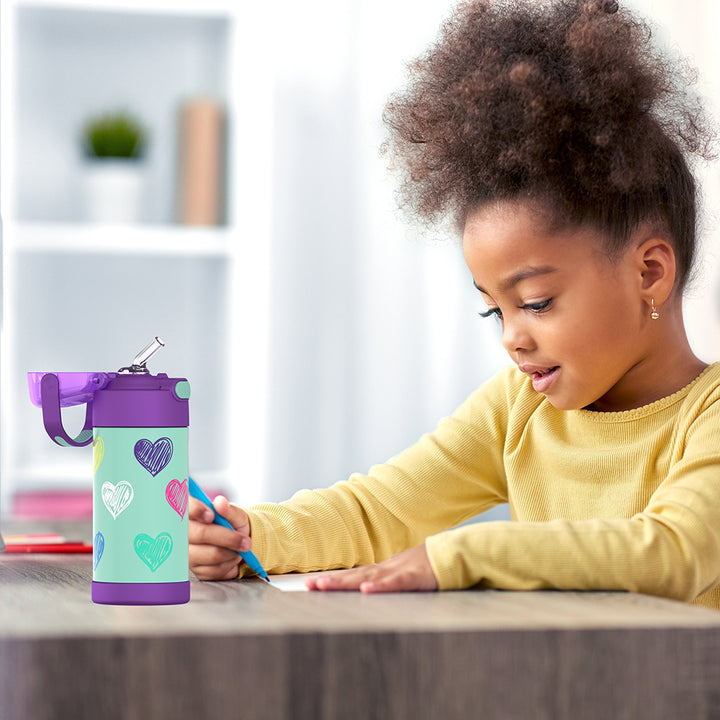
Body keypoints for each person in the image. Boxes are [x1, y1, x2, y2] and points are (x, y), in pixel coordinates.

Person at [190, 0, 720, 608]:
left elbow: (674, 554)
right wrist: (253, 535)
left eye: (537, 302)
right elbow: (382, 510)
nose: (512, 338)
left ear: (649, 273)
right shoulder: (517, 411)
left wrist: (464, 554)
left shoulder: (708, 417)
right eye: (496, 310)